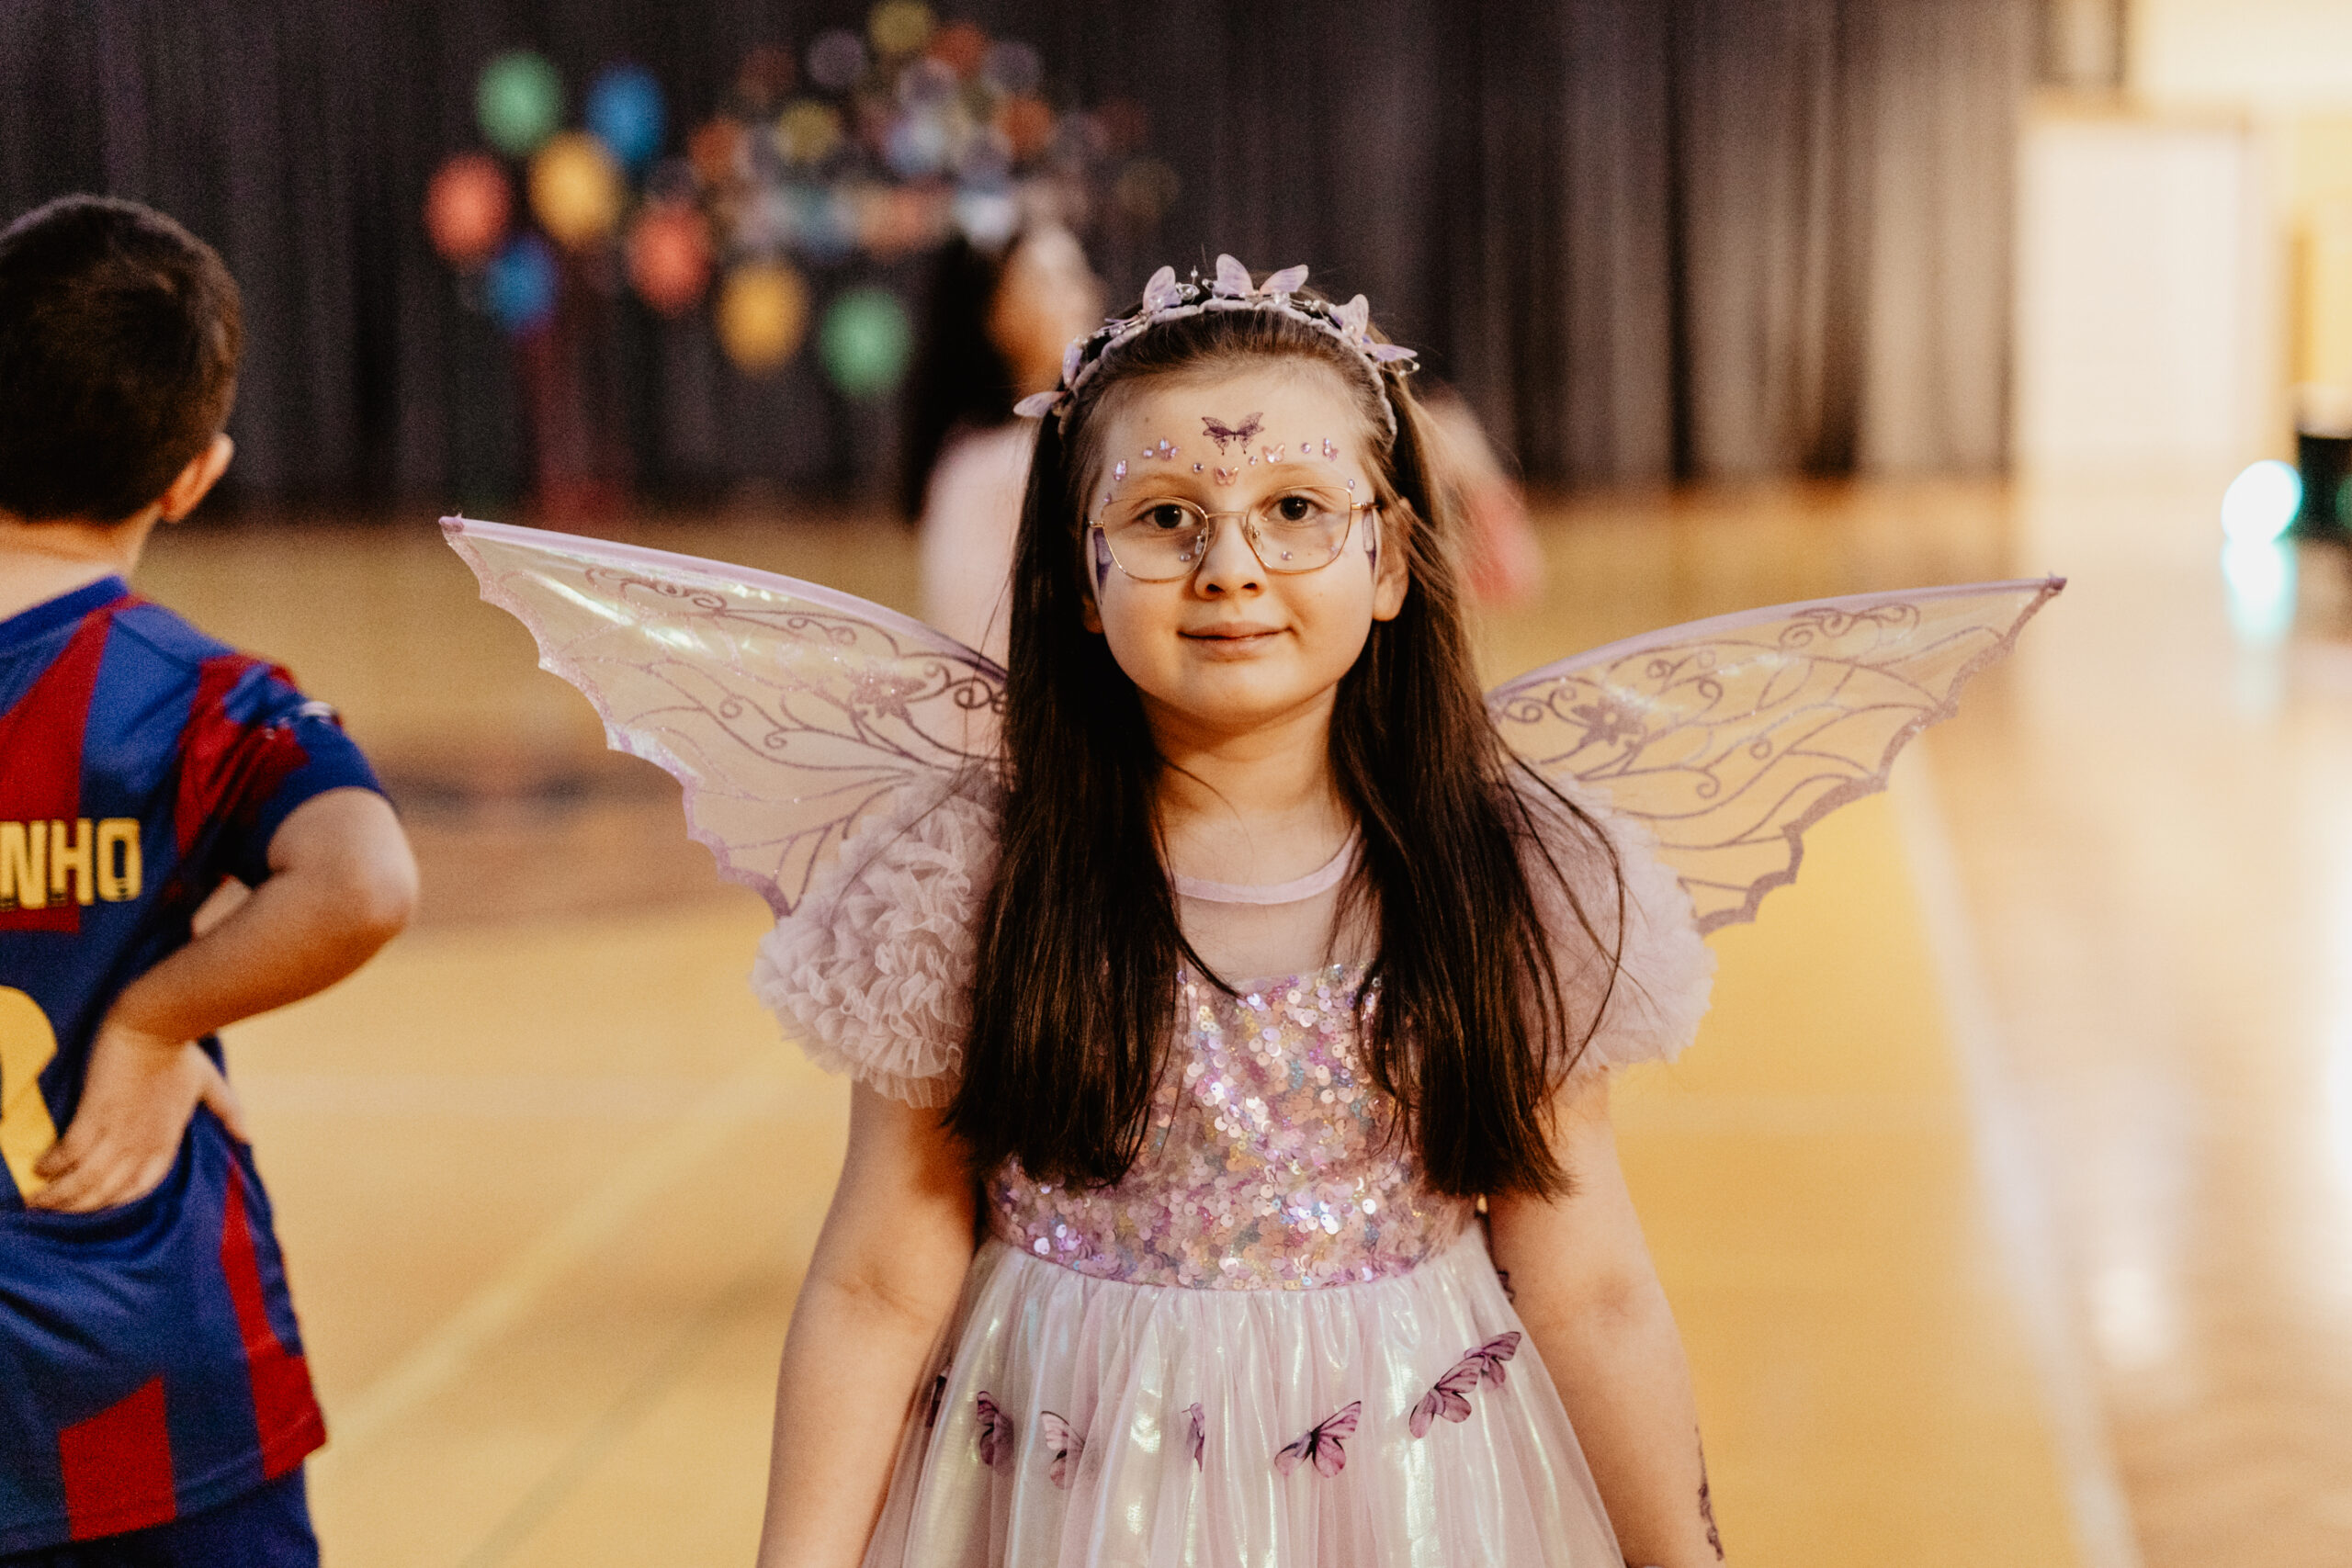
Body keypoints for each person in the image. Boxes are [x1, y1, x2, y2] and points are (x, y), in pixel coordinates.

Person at [753, 261, 1724, 1565]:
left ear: (1391, 560)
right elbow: (878, 1283)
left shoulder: (1507, 880)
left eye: (1296, 509)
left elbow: (1590, 1288)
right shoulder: (968, 878)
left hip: (1408, 1498)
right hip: (1066, 1499)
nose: (1231, 566)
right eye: (1165, 515)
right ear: (1078, 569)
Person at [0, 197, 416, 1566]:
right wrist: (152, 1017)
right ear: (194, 476)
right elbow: (363, 881)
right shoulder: (195, 697)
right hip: (148, 1385)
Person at [901, 224, 1103, 665]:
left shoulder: (1095, 436)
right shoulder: (983, 466)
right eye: (1049, 281)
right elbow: (971, 642)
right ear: (998, 315)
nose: (1080, 296)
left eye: (1078, 275)